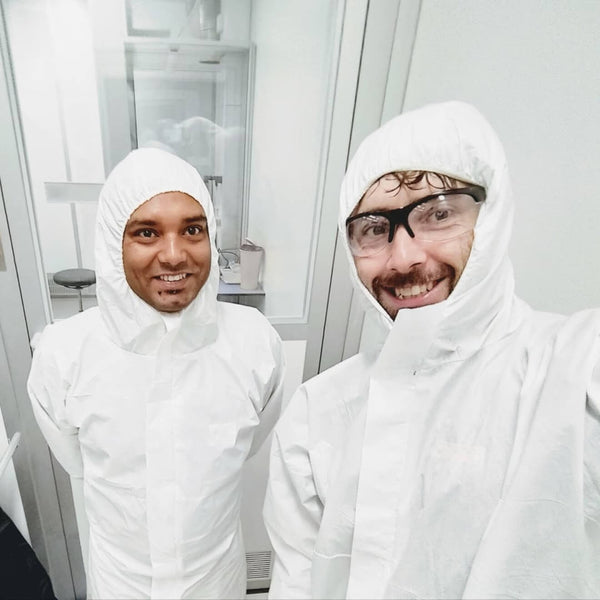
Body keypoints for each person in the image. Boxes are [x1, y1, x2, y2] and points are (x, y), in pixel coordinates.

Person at [263, 101, 600, 599]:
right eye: (375, 229)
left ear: (491, 213)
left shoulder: (569, 368)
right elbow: (296, 585)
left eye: (438, 213)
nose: (404, 258)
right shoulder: (317, 413)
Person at [28, 148, 285, 599]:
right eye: (146, 232)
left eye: (193, 229)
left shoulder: (254, 343)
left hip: (217, 581)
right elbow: (77, 460)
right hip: (121, 583)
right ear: (114, 241)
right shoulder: (64, 354)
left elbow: (246, 445)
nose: (174, 255)